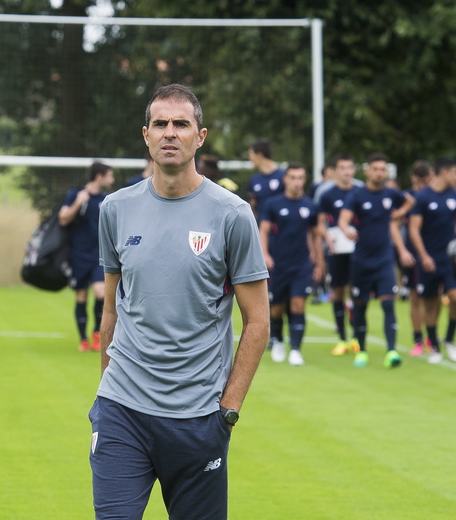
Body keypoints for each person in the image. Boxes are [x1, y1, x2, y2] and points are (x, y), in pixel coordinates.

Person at [91, 84, 270, 519]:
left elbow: (258, 321)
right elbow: (112, 309)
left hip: (198, 419)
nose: (170, 132)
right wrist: (105, 391)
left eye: (181, 124)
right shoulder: (115, 209)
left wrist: (228, 411)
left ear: (200, 136)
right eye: (161, 124)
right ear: (146, 134)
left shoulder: (232, 214)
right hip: (122, 412)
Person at [338, 152, 415, 368]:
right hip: (361, 260)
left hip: (384, 260)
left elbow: (410, 201)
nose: (380, 173)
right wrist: (346, 230)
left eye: (383, 170)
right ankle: (361, 350)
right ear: (368, 171)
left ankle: (391, 351)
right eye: (376, 169)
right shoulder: (357, 195)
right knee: (360, 305)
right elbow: (343, 219)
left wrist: (398, 214)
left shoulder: (391, 194)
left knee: (388, 303)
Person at [259, 163, 324, 365]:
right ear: (285, 180)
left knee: (298, 304)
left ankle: (295, 349)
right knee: (276, 308)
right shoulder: (273, 204)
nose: (297, 182)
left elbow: (315, 236)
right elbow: (264, 231)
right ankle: (277, 341)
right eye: (293, 177)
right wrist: (265, 255)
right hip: (278, 264)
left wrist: (320, 264)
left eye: (300, 178)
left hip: (301, 264)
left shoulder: (310, 206)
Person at [408, 158, 456, 364]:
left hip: (450, 259)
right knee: (430, 304)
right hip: (429, 259)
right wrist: (423, 256)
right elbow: (414, 229)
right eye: (455, 173)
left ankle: (449, 339)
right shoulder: (423, 197)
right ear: (444, 172)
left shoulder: (454, 195)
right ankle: (434, 347)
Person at [59, 161, 115, 352]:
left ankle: (96, 333)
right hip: (79, 254)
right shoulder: (76, 194)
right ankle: (83, 339)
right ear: (99, 176)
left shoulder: (108, 199)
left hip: (100, 255)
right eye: (109, 176)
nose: (112, 180)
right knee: (81, 296)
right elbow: (63, 218)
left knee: (101, 293)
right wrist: (78, 203)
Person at [318, 154, 361, 355]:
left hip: (358, 249)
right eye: (342, 168)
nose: (346, 172)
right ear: (335, 171)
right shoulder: (326, 195)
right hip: (337, 250)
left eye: (350, 167)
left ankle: (358, 337)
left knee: (358, 291)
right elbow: (320, 223)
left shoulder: (360, 192)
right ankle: (342, 338)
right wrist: (328, 240)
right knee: (338, 291)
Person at [403, 161, 434, 356]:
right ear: (413, 179)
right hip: (412, 253)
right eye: (420, 181)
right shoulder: (406, 197)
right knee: (415, 297)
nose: (423, 184)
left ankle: (432, 337)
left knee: (433, 297)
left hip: (433, 252)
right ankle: (417, 340)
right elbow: (394, 219)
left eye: (427, 180)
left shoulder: (434, 196)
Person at [246, 138, 285, 220]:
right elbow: (252, 206)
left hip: (280, 228)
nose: (249, 158)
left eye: (251, 154)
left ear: (259, 155)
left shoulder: (283, 176)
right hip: (261, 227)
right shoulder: (254, 180)